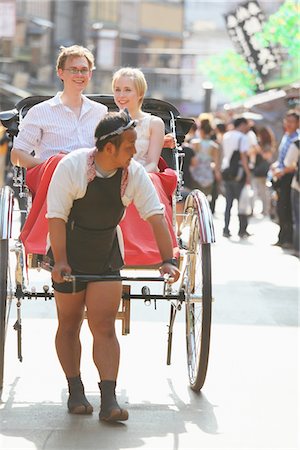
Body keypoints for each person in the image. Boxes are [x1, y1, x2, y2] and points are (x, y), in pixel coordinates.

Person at [47, 110, 180, 422]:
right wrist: (61, 261)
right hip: (68, 247)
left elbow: (156, 217)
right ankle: (75, 390)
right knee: (69, 324)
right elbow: (55, 218)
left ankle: (109, 399)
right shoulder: (73, 167)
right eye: (130, 145)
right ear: (109, 148)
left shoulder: (132, 173)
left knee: (104, 325)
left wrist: (168, 259)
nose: (135, 150)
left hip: (106, 250)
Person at [10, 45, 108, 255]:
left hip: (92, 176)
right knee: (59, 163)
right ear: (60, 73)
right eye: (74, 69)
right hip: (51, 174)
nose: (79, 74)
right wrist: (51, 163)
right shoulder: (40, 112)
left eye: (84, 70)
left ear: (90, 74)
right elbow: (17, 155)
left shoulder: (100, 112)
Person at [112, 67, 178, 265]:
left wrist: (133, 174)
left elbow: (152, 161)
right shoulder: (108, 120)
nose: (121, 95)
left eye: (127, 90)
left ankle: (152, 247)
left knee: (144, 180)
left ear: (140, 93)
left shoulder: (154, 123)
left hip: (145, 171)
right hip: (112, 171)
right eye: (117, 89)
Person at [269, 110, 299, 248]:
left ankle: (288, 239)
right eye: (287, 121)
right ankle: (282, 238)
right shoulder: (286, 136)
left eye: (291, 121)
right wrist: (275, 168)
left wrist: (281, 171)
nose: (288, 124)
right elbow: (281, 159)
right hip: (280, 176)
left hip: (289, 177)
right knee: (280, 208)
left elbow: (294, 164)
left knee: (287, 209)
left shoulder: (296, 139)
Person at [221, 117, 252, 238]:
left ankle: (226, 229)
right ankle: (242, 230)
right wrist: (248, 174)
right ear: (242, 124)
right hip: (239, 173)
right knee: (242, 202)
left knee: (228, 204)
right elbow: (243, 157)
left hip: (226, 171)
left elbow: (222, 153)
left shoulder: (226, 135)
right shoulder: (242, 137)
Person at [189, 119, 221, 210]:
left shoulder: (194, 143)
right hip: (208, 173)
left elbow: (193, 160)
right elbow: (216, 163)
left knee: (195, 197)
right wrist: (217, 174)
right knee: (204, 198)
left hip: (195, 172)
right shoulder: (214, 146)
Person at [284, 138, 300, 257]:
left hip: (298, 186)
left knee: (298, 219)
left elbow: (288, 162)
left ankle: (298, 248)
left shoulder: (297, 143)